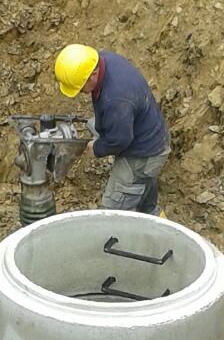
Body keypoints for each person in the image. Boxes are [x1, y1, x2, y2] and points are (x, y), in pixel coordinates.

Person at [54, 43, 170, 216]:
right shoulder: (103, 59)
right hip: (153, 136)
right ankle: (153, 215)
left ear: (92, 75)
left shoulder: (116, 100)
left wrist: (97, 148)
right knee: (143, 187)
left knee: (114, 212)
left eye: (80, 88)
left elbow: (120, 140)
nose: (79, 93)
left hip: (143, 154)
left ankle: (133, 236)